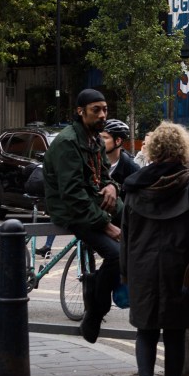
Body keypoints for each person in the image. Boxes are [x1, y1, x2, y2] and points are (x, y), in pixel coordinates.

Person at [120, 122, 189, 376]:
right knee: (176, 333)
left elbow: (126, 234)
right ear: (182, 149)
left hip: (142, 265)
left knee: (146, 330)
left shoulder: (134, 187)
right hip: (179, 267)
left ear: (153, 149)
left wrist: (125, 273)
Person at [42, 88, 122, 343]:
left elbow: (107, 176)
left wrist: (112, 187)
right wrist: (107, 226)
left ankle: (96, 282)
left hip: (95, 201)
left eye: (105, 109)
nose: (102, 115)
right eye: (96, 110)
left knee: (136, 219)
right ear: (80, 111)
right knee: (116, 254)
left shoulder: (96, 140)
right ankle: (96, 313)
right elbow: (73, 195)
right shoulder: (68, 142)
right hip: (72, 209)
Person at [101, 118, 140, 187]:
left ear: (118, 141)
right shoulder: (92, 160)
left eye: (104, 137)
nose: (100, 141)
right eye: (99, 137)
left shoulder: (131, 168)